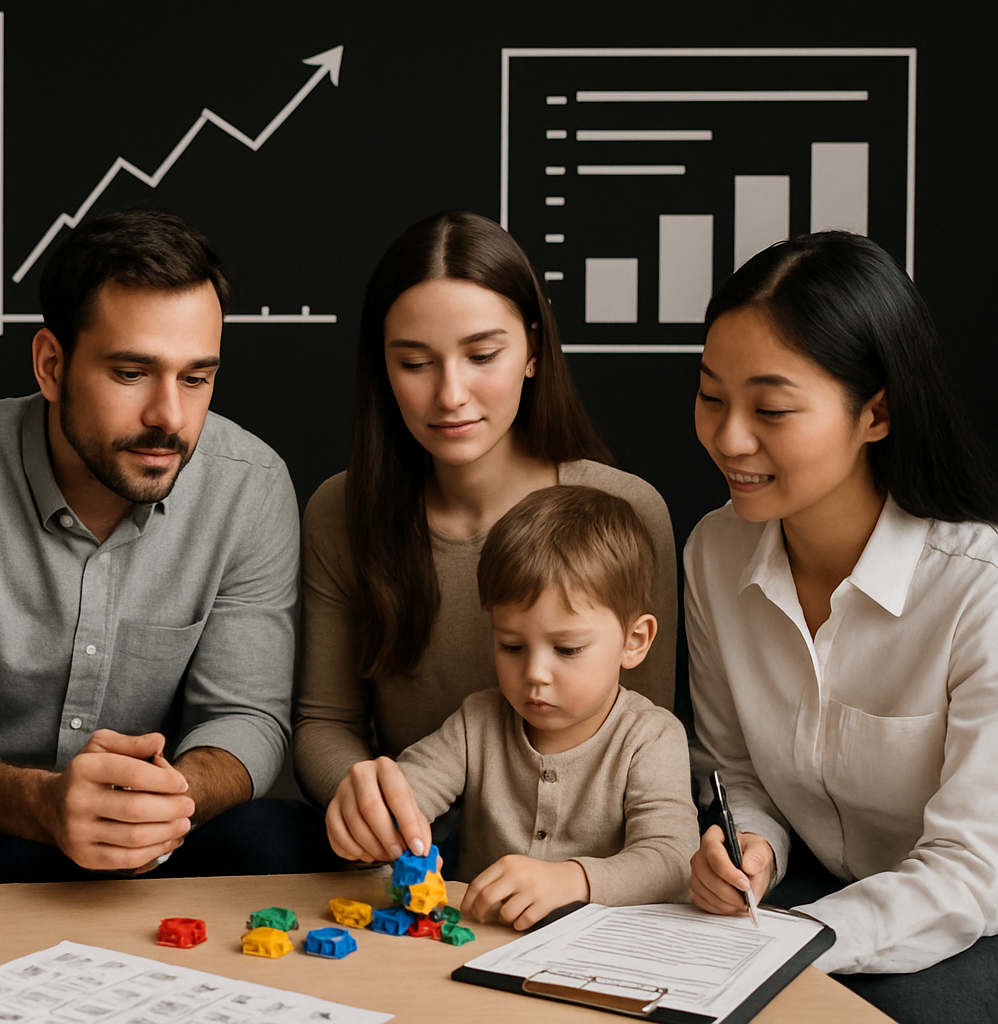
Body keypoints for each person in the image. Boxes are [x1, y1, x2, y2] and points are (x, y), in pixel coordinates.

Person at [0, 209, 329, 883]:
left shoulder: (250, 486)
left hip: (162, 830)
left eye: (196, 378)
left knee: (290, 845)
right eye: (132, 373)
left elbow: (245, 717)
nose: (169, 415)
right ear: (51, 365)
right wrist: (47, 804)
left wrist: (164, 802)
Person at [686, 231, 998, 1023]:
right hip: (805, 906)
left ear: (877, 413)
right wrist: (750, 850)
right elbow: (736, 774)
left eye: (772, 409)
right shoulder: (714, 554)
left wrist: (797, 937)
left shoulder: (976, 589)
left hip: (962, 929)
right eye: (711, 394)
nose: (729, 438)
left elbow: (970, 869)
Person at [294, 210, 678, 828]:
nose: (450, 395)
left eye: (482, 355)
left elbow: (647, 730)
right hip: (408, 827)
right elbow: (326, 722)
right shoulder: (341, 510)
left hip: (572, 835)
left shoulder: (627, 511)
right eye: (415, 364)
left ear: (531, 350)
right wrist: (370, 800)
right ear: (383, 369)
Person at [327, 485, 696, 929]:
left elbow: (671, 859)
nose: (535, 672)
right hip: (476, 939)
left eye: (568, 648)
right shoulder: (477, 722)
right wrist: (372, 822)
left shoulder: (650, 737)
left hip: (601, 951)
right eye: (512, 645)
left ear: (634, 641)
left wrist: (572, 880)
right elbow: (409, 796)